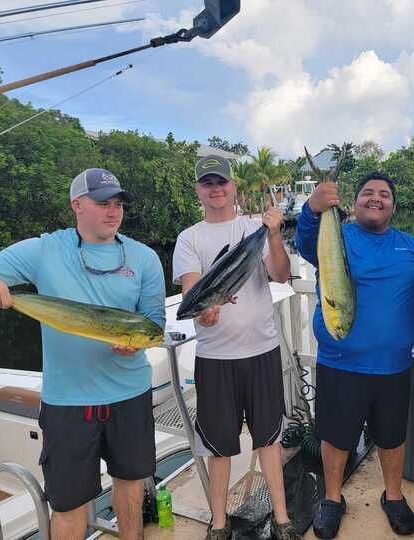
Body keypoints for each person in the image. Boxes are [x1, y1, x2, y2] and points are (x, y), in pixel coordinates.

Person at [0, 168, 165, 540]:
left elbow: (152, 321)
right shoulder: (44, 249)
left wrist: (134, 346)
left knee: (130, 485)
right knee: (67, 504)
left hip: (130, 394)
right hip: (68, 402)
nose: (114, 211)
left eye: (118, 204)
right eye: (102, 203)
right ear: (77, 204)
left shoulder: (143, 258)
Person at [295, 172, 414, 538]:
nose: (375, 198)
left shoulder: (411, 247)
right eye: (367, 193)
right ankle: (332, 499)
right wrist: (311, 208)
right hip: (339, 363)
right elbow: (302, 243)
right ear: (354, 202)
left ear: (394, 205)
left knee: (392, 437)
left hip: (394, 366)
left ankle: (393, 497)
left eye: (384, 194)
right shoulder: (336, 236)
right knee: (334, 437)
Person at [172, 154, 301, 540]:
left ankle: (281, 518)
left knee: (269, 439)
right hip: (215, 358)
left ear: (233, 188)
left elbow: (280, 275)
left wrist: (275, 233)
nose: (216, 189)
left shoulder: (254, 228)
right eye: (208, 183)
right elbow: (194, 296)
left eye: (221, 182)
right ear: (198, 190)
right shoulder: (189, 238)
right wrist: (205, 315)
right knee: (219, 446)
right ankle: (218, 523)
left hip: (262, 350)